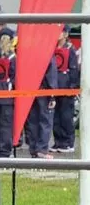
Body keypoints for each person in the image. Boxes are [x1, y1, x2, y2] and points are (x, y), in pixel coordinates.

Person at [25, 55, 58, 159]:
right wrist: (52, 95)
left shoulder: (30, 53)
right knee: (45, 121)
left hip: (30, 90)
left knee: (33, 121)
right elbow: (51, 76)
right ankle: (41, 149)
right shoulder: (48, 54)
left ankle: (33, 148)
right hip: (44, 92)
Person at [53, 25, 79, 153]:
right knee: (55, 116)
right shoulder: (53, 48)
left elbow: (74, 70)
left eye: (60, 31)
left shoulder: (70, 49)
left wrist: (72, 86)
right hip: (55, 87)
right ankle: (58, 142)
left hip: (66, 88)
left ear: (65, 34)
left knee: (66, 116)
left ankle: (68, 142)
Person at [0, 28, 16, 157]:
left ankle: (0, 149)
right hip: (6, 96)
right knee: (5, 125)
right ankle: (4, 150)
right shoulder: (12, 58)